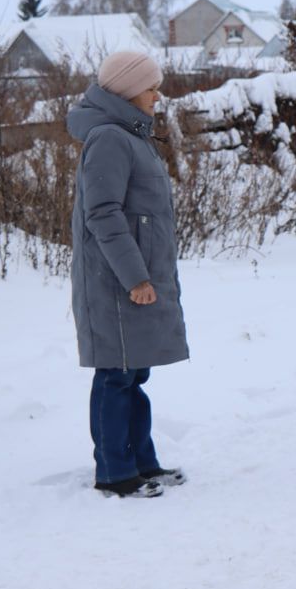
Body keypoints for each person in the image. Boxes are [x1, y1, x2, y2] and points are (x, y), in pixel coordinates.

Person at [68, 51, 190, 498]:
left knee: (133, 374)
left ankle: (141, 462)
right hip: (115, 282)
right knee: (116, 376)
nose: (159, 95)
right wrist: (136, 278)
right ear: (125, 91)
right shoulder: (110, 139)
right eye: (150, 87)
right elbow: (103, 215)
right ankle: (115, 472)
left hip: (134, 279)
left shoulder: (130, 135)